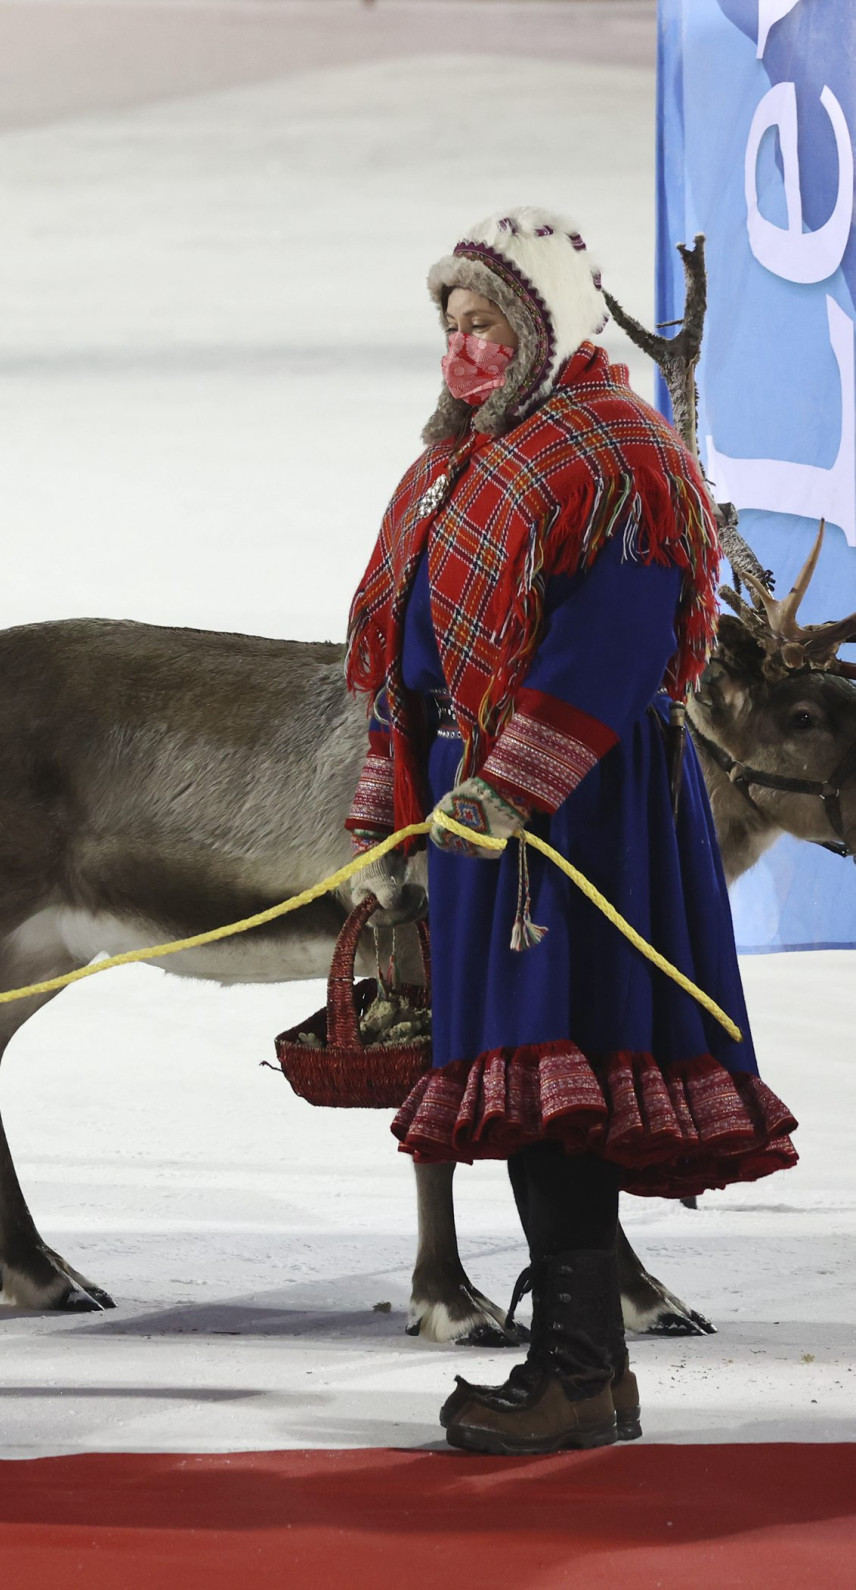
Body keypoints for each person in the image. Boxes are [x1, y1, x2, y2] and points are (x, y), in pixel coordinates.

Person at [343, 208, 800, 1456]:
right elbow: (399, 657)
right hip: (477, 819)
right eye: (450, 322)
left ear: (544, 325)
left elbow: (614, 651)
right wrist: (392, 821)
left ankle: (577, 1372)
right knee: (528, 1088)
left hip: (570, 818)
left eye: (486, 321)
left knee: (560, 1082)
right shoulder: (462, 460)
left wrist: (508, 789)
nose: (462, 345)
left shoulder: (617, 456)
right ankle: (589, 1368)